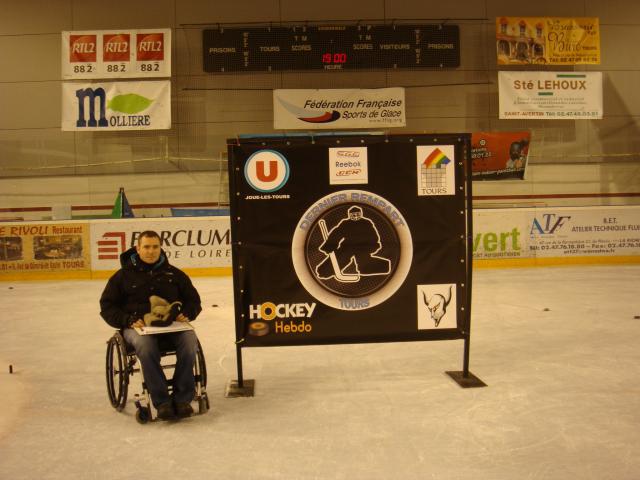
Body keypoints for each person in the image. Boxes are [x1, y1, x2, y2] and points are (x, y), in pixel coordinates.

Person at [100, 230, 202, 420]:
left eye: (155, 246)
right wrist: (127, 320)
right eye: (146, 247)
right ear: (137, 249)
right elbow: (107, 307)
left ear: (160, 248)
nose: (151, 251)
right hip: (137, 327)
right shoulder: (122, 277)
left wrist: (186, 313)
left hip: (171, 327)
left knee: (190, 341)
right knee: (146, 347)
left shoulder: (175, 274)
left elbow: (194, 301)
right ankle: (162, 401)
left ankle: (182, 399)